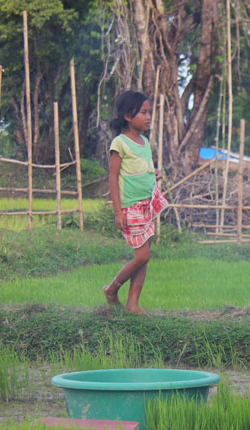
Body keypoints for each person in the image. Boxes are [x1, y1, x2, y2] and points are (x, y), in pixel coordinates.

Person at [103, 90, 168, 314]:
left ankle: (132, 303)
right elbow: (113, 177)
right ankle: (112, 289)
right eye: (143, 112)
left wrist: (154, 173)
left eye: (149, 112)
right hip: (130, 207)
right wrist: (118, 212)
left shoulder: (145, 142)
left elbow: (142, 168)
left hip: (146, 205)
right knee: (143, 256)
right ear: (128, 117)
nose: (148, 117)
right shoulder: (119, 143)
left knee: (143, 258)